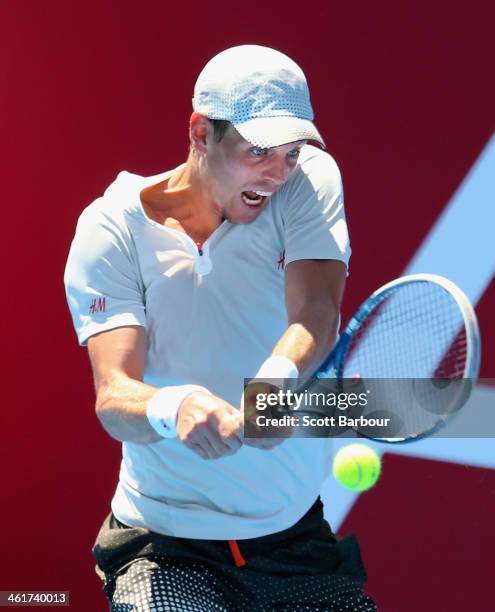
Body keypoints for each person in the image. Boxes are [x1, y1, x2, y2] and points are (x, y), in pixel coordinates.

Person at [64, 45, 376, 611]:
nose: (278, 172)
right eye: (258, 151)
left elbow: (317, 313)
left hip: (295, 539)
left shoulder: (308, 178)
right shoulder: (110, 228)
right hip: (163, 547)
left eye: (289, 151)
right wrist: (175, 407)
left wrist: (277, 380)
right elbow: (114, 396)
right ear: (200, 132)